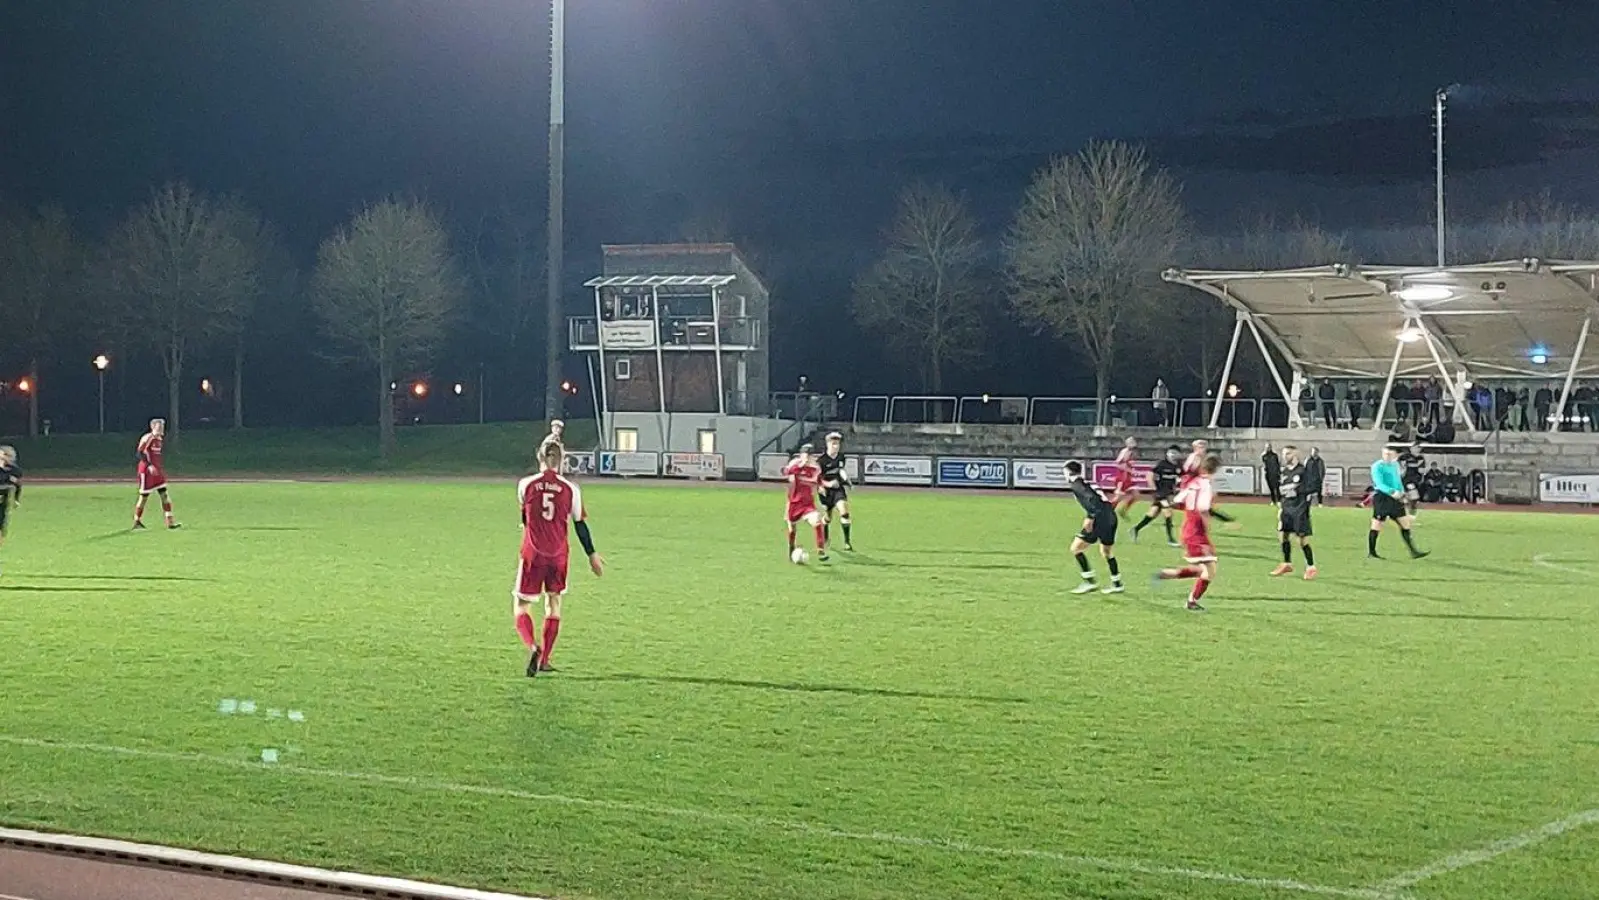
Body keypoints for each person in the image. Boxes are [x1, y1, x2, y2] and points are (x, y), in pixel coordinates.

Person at [515, 440, 604, 676]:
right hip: (558, 555)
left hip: (533, 553)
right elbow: (580, 525)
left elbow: (525, 518)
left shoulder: (525, 485)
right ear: (562, 460)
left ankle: (533, 646)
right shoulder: (571, 489)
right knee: (553, 603)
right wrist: (592, 554)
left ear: (539, 457)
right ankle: (545, 659)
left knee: (521, 605)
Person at [1154, 454, 1221, 611]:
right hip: (1197, 532)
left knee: (1205, 569)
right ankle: (1189, 599)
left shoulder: (1193, 483)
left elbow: (1176, 502)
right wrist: (1206, 524)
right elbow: (1203, 508)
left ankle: (1167, 575)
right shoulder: (1206, 485)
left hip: (1187, 529)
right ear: (1216, 470)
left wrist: (1188, 510)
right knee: (1209, 570)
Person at [1064, 460, 1123, 594]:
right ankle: (1117, 584)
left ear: (1067, 472)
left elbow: (1092, 499)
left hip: (1098, 518)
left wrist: (1090, 517)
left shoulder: (1076, 484)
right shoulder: (1089, 482)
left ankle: (1089, 582)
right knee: (1107, 552)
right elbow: (1102, 500)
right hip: (1110, 516)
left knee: (1076, 548)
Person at [1369, 447, 1430, 560]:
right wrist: (1392, 492)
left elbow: (1397, 481)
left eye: (1390, 454)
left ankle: (1414, 551)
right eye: (1386, 454)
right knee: (1377, 525)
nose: (1388, 456)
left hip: (1396, 499)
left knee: (1405, 524)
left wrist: (1402, 493)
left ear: (1394, 455)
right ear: (1382, 454)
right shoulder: (1377, 466)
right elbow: (1379, 484)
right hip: (1382, 498)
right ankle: (1372, 552)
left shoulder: (1395, 465)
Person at [1270, 446, 1316, 580]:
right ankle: (1287, 563)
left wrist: (1303, 500)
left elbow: (1312, 487)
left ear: (1295, 454)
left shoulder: (1303, 471)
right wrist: (1281, 506)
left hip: (1299, 510)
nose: (1285, 456)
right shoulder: (1284, 472)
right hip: (1286, 509)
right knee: (1283, 535)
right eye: (1284, 454)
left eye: (1288, 454)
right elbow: (1282, 491)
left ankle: (1311, 567)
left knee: (1302, 540)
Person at [783, 444, 828, 562]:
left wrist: (821, 487)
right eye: (805, 454)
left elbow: (818, 479)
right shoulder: (795, 463)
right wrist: (800, 466)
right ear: (801, 455)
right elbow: (786, 472)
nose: (807, 457)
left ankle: (821, 550)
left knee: (817, 521)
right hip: (793, 503)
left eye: (810, 455)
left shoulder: (816, 468)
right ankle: (791, 548)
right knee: (792, 529)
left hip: (808, 504)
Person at [1132, 446, 1184, 546]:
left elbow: (1182, 477)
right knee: (1168, 512)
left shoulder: (1179, 466)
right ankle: (1170, 539)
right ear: (1167, 454)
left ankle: (1135, 529)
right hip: (1160, 493)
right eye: (1171, 452)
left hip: (1168, 493)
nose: (1173, 455)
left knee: (1152, 514)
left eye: (1175, 453)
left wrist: (1178, 485)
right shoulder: (1161, 464)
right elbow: (1149, 474)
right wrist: (1153, 488)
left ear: (1179, 454)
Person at [133, 419, 180, 530]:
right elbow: (139, 453)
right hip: (146, 471)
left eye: (162, 426)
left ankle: (170, 522)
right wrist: (149, 465)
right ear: (153, 427)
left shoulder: (159, 439)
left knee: (164, 494)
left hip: (157, 472)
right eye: (159, 427)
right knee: (144, 497)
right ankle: (137, 520)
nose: (162, 429)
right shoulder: (148, 438)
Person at [817, 431, 854, 551]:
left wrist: (847, 480)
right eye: (833, 444)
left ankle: (847, 542)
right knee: (828, 517)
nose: (836, 446)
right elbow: (817, 479)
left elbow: (841, 470)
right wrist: (827, 484)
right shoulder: (821, 461)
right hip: (825, 492)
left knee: (844, 512)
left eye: (837, 444)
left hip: (838, 489)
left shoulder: (841, 457)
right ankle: (825, 533)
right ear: (827, 444)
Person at [0, 445, 19, 576]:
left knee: (1, 532)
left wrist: (16, 499)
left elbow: (17, 482)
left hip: (2, 506)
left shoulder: (9, 472)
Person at [1111, 437, 1141, 519]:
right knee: (1117, 498)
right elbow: (1118, 464)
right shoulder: (1125, 451)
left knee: (1136, 495)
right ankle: (1106, 511)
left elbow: (1129, 464)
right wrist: (1131, 471)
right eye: (1131, 441)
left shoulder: (1133, 452)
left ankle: (1123, 510)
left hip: (1128, 478)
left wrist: (1132, 471)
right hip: (1122, 478)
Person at [1399, 442, 1425, 516]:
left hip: (1415, 480)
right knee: (1414, 495)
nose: (1418, 449)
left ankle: (1408, 511)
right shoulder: (1405, 457)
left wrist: (1421, 477)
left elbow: (1421, 470)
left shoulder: (1420, 458)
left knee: (1412, 497)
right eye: (1416, 447)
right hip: (1407, 480)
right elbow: (1401, 468)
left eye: (1419, 448)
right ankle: (1410, 513)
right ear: (1411, 448)